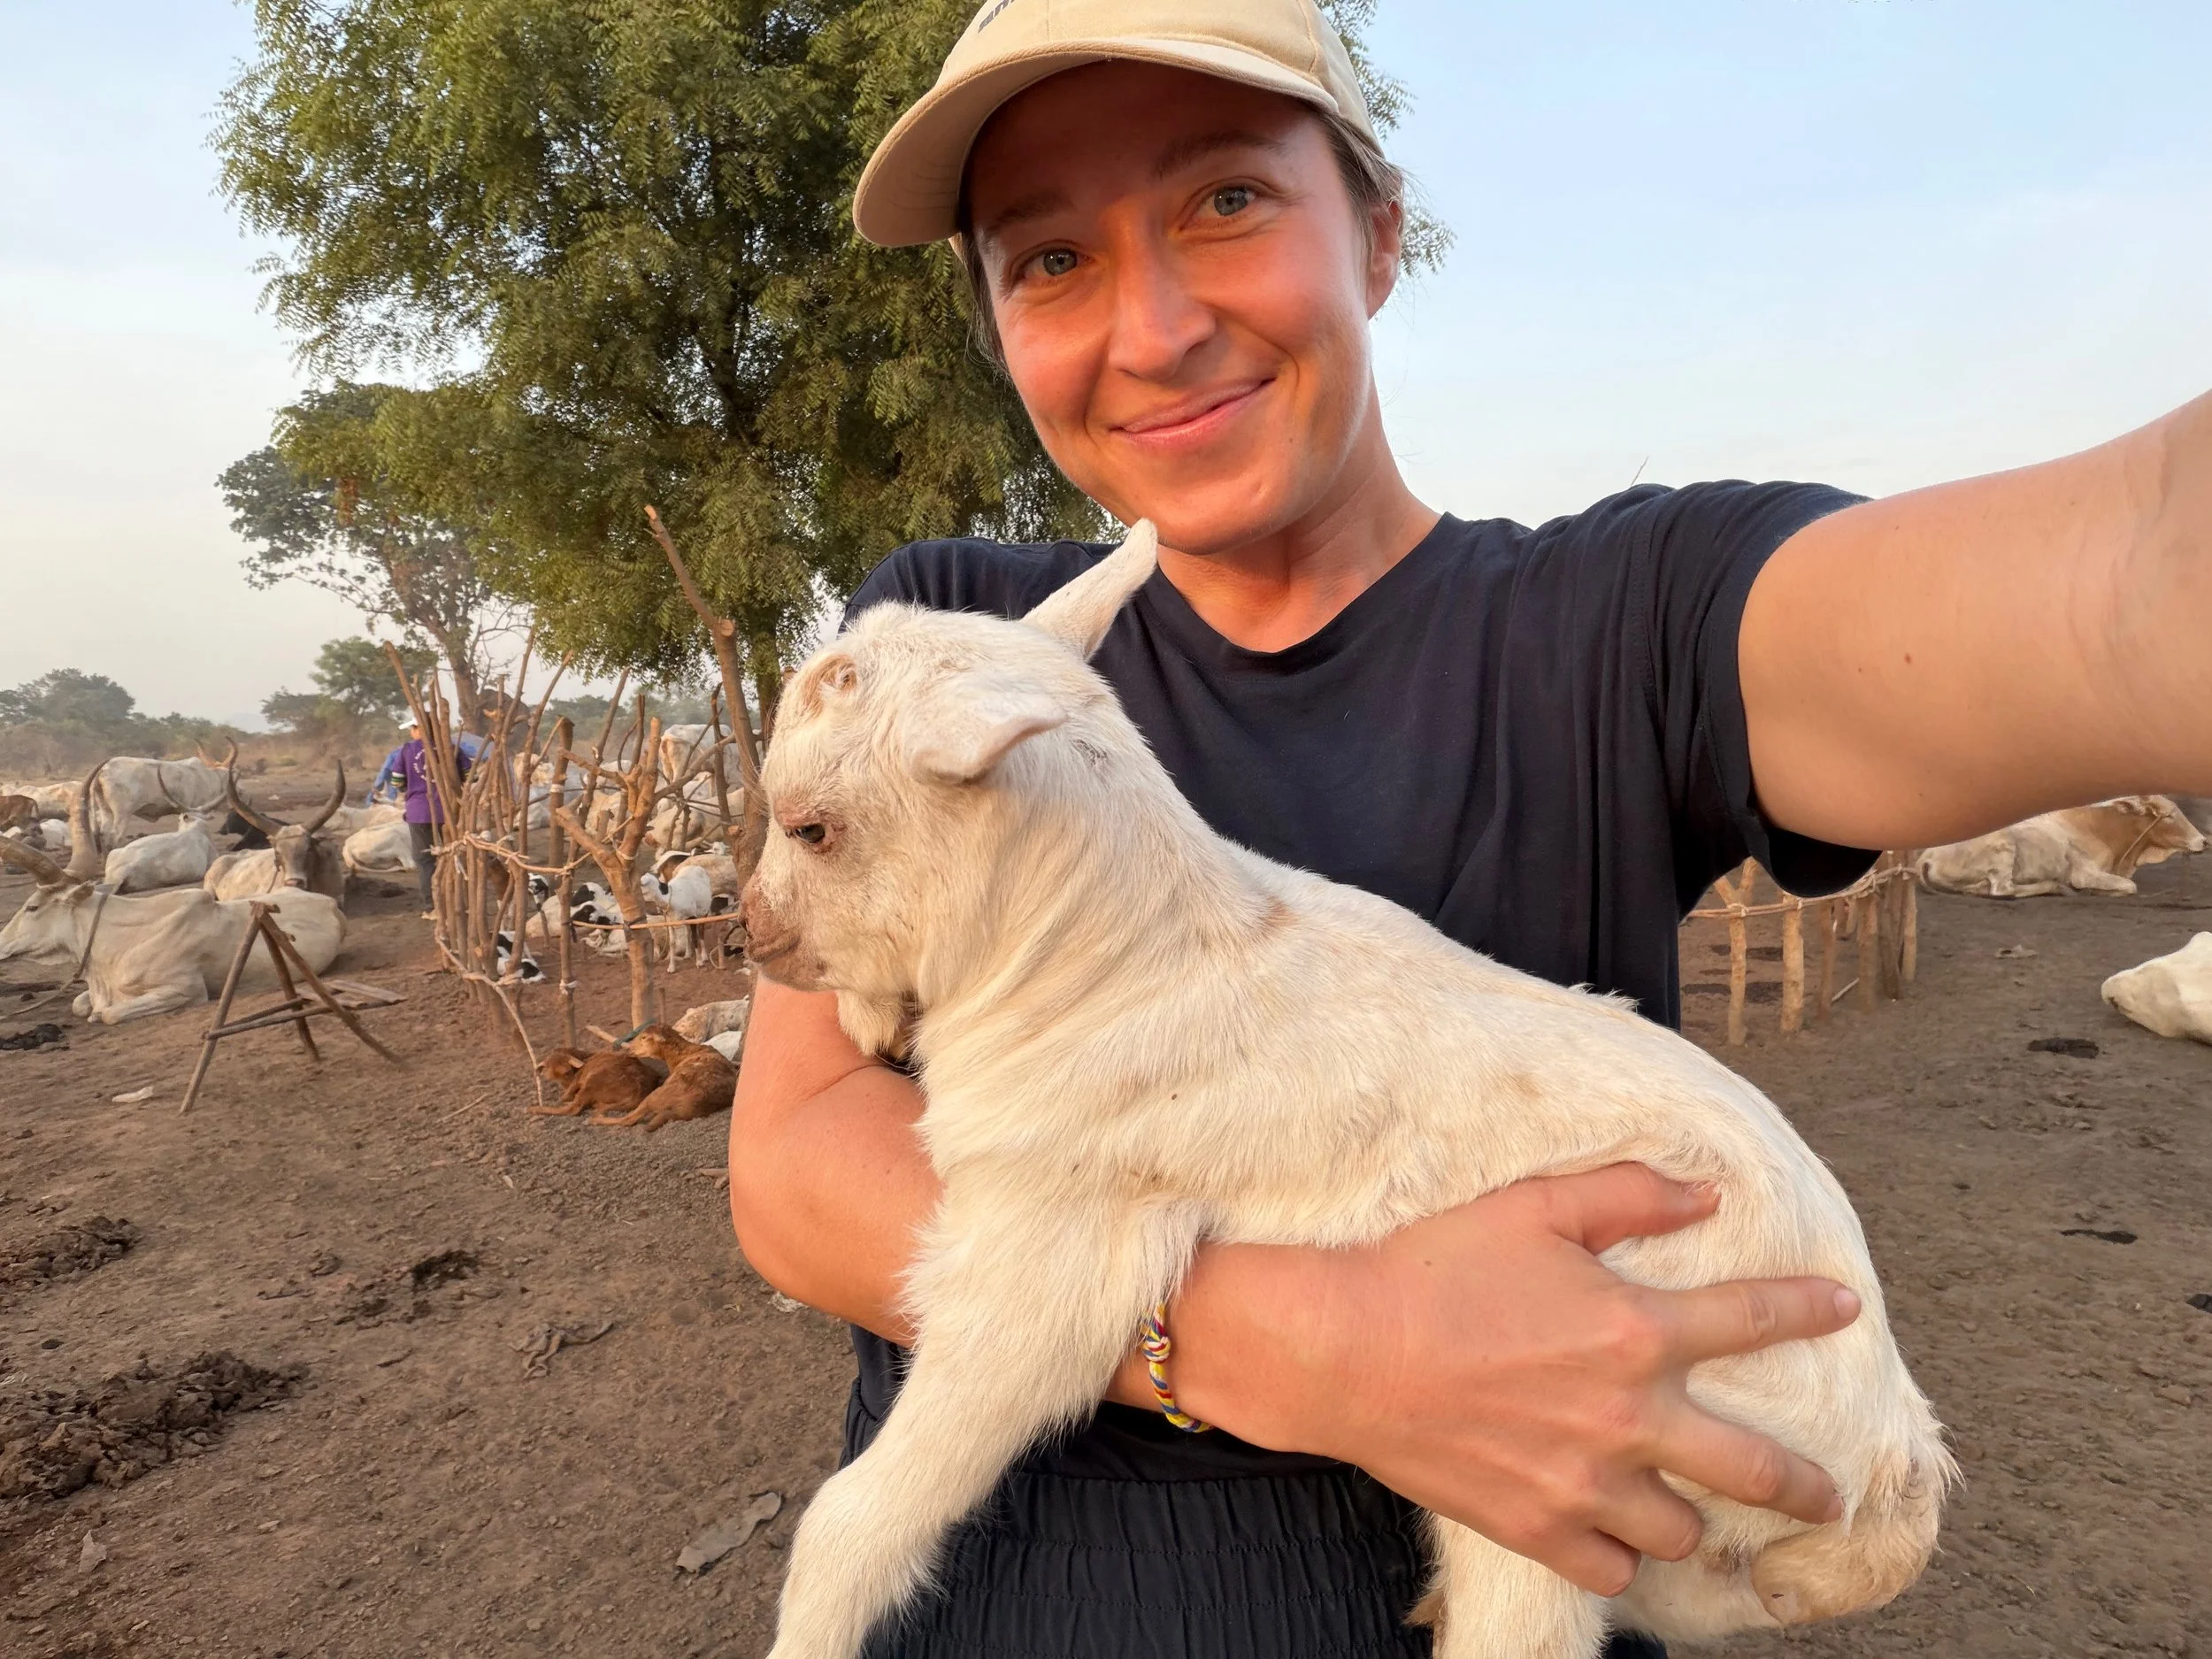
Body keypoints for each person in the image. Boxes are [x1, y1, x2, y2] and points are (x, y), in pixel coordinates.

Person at [728, 3, 2212, 1653]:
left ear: (1379, 231)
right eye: (1049, 259)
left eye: (1224, 201)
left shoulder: (1619, 626)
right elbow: (794, 1166)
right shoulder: (957, 642)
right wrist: (1312, 1345)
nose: (1148, 329)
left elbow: (2137, 572)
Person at [396, 715, 469, 918]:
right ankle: (459, 903)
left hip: (419, 812)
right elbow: (470, 775)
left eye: (413, 728)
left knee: (425, 859)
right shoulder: (452, 748)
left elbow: (396, 781)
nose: (411, 733)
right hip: (449, 811)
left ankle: (433, 907)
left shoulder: (407, 750)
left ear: (419, 729)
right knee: (454, 855)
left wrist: (412, 788)